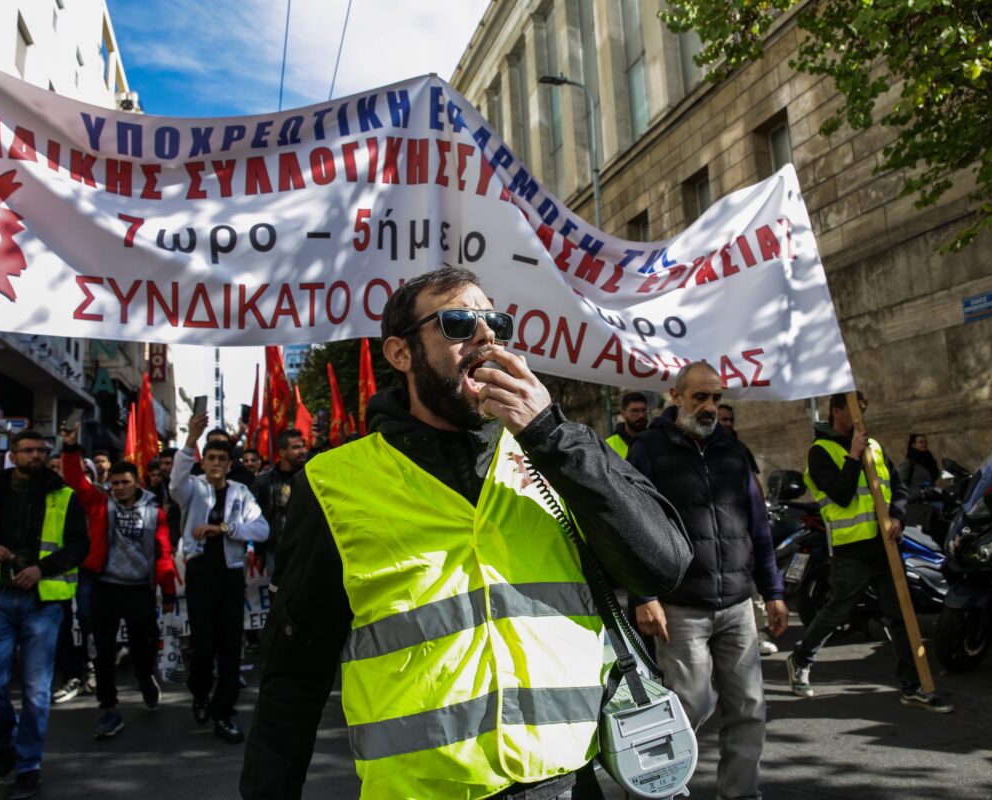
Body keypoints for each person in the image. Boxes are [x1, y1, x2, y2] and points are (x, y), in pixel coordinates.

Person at [241, 266, 691, 799]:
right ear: (401, 354)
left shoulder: (558, 451)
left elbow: (663, 566)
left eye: (494, 322)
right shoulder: (336, 483)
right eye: (456, 323)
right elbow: (294, 674)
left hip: (567, 787)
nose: (485, 336)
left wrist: (550, 433)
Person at [628, 362, 786, 800]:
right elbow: (631, 524)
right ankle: (653, 789)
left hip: (736, 605)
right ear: (676, 396)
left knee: (750, 708)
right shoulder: (648, 451)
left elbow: (758, 527)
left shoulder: (733, 451)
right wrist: (644, 595)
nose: (710, 406)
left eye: (716, 398)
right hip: (681, 606)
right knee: (689, 706)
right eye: (700, 397)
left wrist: (773, 592)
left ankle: (741, 793)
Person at [787, 393, 953, 712]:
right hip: (851, 549)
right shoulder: (821, 451)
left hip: (886, 546)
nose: (860, 415)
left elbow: (898, 489)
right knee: (838, 610)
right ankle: (800, 658)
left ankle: (912, 686)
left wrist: (898, 518)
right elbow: (841, 495)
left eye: (863, 409)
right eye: (852, 410)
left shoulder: (874, 446)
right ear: (836, 412)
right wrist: (853, 455)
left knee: (900, 614)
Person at [0, 429, 89, 799]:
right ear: (12, 454)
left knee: (37, 692)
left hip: (44, 603)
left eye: (41, 450)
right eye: (28, 451)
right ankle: (7, 741)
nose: (36, 456)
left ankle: (28, 764)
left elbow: (77, 546)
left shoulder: (63, 495)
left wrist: (42, 569)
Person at [60, 425, 176, 740]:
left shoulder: (154, 513)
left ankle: (143, 677)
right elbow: (75, 481)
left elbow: (163, 554)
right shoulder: (100, 503)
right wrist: (71, 447)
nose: (119, 488)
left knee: (143, 646)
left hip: (138, 590)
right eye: (114, 483)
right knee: (104, 652)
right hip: (105, 588)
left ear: (137, 483)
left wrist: (167, 590)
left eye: (125, 483)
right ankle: (109, 708)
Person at [170, 416, 269, 744]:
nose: (216, 463)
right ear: (203, 462)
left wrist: (226, 529)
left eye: (221, 459)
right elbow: (174, 484)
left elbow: (262, 529)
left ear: (229, 464)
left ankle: (224, 712)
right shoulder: (192, 489)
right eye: (210, 458)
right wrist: (189, 442)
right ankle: (200, 692)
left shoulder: (241, 493)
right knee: (203, 646)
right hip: (199, 574)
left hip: (230, 575)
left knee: (230, 647)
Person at [717, 403, 776, 655]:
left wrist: (759, 513)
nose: (728, 423)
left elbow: (754, 483)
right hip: (720, 535)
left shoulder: (739, 450)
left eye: (730, 419)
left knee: (751, 586)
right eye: (723, 419)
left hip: (741, 532)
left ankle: (759, 633)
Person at [249, 430, 307, 576]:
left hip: (306, 550)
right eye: (295, 447)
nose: (302, 451)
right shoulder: (263, 482)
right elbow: (256, 518)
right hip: (275, 552)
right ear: (282, 452)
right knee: (278, 596)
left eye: (303, 446)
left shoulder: (310, 479)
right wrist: (259, 551)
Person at [897, 433, 940, 502]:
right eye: (920, 442)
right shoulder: (908, 463)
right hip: (918, 502)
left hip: (931, 498)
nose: (924, 444)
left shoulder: (929, 461)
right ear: (913, 445)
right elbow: (900, 482)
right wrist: (916, 494)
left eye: (925, 442)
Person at [606, 390, 650, 458]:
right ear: (624, 414)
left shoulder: (656, 440)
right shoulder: (608, 446)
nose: (641, 415)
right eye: (635, 411)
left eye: (643, 410)